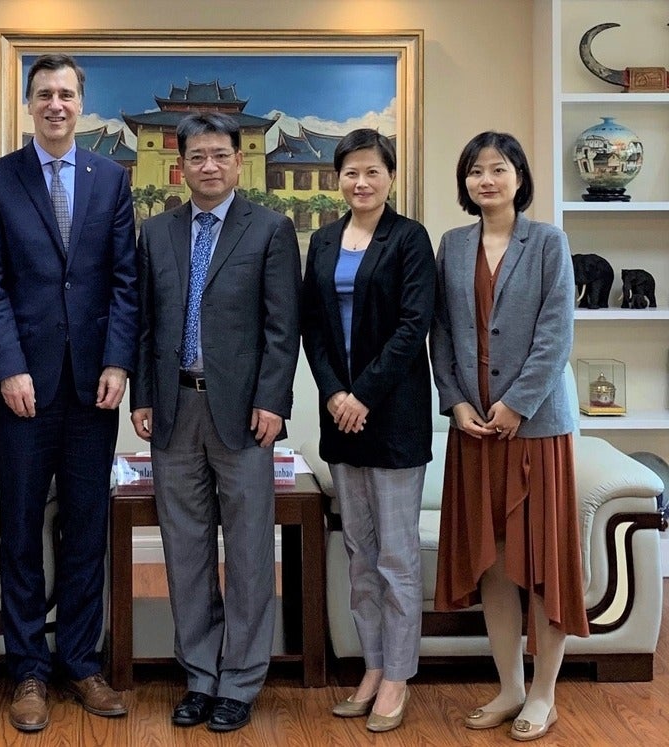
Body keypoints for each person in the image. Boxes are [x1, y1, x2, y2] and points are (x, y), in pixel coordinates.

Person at [0, 54, 137, 732]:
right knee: (20, 528)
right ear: (29, 103)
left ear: (81, 103)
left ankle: (81, 661)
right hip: (23, 388)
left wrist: (120, 363)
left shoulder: (110, 179)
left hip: (94, 386)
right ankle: (27, 669)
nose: (57, 104)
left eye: (67, 93)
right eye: (45, 94)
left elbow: (125, 279)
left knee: (85, 524)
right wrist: (6, 367)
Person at [130, 112, 301, 733]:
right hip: (175, 410)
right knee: (186, 551)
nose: (208, 166)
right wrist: (142, 397)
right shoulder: (159, 231)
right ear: (183, 162)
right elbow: (146, 324)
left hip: (245, 413)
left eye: (219, 155)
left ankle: (241, 680)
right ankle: (200, 676)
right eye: (197, 156)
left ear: (237, 159)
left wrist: (274, 401)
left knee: (252, 550)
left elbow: (284, 329)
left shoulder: (271, 229)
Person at [431, 131, 588, 742]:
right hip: (474, 429)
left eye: (498, 169)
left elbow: (557, 333)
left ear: (519, 176)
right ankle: (509, 688)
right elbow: (440, 334)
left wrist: (516, 405)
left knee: (541, 562)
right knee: (492, 561)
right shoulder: (452, 244)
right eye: (475, 171)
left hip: (536, 427)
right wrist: (458, 402)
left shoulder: (549, 241)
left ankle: (544, 695)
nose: (486, 180)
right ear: (465, 182)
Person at [300, 128, 435, 733]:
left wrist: (363, 395)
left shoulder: (409, 239)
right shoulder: (324, 241)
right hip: (341, 419)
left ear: (390, 178)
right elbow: (313, 328)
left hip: (394, 416)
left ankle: (400, 676)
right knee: (358, 555)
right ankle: (374, 666)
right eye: (351, 172)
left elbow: (414, 326)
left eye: (373, 172)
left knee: (396, 556)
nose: (361, 182)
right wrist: (334, 393)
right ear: (338, 179)